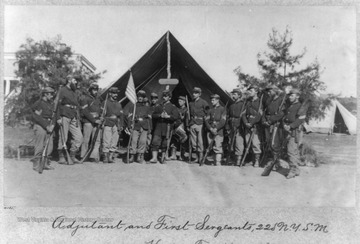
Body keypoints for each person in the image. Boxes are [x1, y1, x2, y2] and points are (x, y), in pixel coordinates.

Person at [56, 75, 83, 165]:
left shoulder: (74, 92)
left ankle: (72, 155)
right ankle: (61, 156)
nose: (76, 83)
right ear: (69, 81)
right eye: (75, 81)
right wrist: (58, 117)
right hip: (64, 115)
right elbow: (56, 104)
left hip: (73, 116)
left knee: (79, 137)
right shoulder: (62, 90)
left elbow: (76, 105)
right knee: (63, 137)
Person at [149, 89, 180, 164]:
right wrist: (160, 115)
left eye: (166, 96)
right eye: (163, 96)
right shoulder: (159, 106)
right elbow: (153, 115)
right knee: (155, 141)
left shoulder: (173, 107)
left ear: (169, 97)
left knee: (165, 143)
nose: (164, 97)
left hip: (167, 127)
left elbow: (175, 116)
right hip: (158, 127)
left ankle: (163, 158)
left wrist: (168, 116)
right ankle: (154, 158)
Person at [283, 88, 307, 179]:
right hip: (288, 129)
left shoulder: (300, 106)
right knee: (294, 151)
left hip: (295, 131)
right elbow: (286, 117)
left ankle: (293, 170)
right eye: (289, 95)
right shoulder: (290, 106)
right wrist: (285, 125)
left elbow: (301, 119)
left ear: (297, 96)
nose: (289, 97)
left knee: (291, 151)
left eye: (292, 95)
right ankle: (296, 169)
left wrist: (291, 126)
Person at [31, 86, 56, 171]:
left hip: (50, 125)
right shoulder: (38, 104)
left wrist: (52, 125)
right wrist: (46, 126)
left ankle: (45, 163)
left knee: (50, 146)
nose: (52, 96)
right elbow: (37, 117)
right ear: (45, 94)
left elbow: (54, 115)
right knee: (40, 146)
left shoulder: (52, 103)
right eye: (51, 94)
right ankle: (36, 164)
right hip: (41, 125)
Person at [261, 84, 286, 163]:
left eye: (270, 91)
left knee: (274, 143)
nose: (268, 93)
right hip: (267, 124)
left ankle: (276, 161)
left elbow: (281, 113)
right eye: (268, 92)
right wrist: (264, 120)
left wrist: (270, 120)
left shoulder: (281, 101)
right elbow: (264, 112)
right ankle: (270, 160)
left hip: (275, 125)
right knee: (268, 142)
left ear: (275, 91)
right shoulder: (268, 101)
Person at [126, 90, 152, 164]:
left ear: (144, 98)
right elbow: (129, 117)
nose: (140, 98)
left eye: (142, 97)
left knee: (142, 141)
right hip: (135, 125)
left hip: (144, 126)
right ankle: (132, 155)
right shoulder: (133, 107)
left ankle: (140, 156)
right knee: (133, 141)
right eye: (139, 96)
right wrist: (129, 126)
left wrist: (150, 128)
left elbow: (150, 119)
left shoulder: (147, 107)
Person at [79, 83, 103, 163]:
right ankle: (83, 155)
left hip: (97, 121)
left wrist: (100, 117)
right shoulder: (85, 99)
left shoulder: (98, 99)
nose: (95, 91)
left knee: (97, 140)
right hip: (88, 121)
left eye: (96, 90)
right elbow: (85, 111)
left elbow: (100, 110)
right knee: (86, 139)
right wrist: (94, 120)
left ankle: (93, 156)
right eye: (93, 90)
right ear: (90, 90)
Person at [242, 85, 263, 167]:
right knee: (248, 143)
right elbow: (243, 114)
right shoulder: (248, 102)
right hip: (247, 125)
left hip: (255, 125)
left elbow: (260, 115)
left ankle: (257, 161)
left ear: (256, 92)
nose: (249, 92)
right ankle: (252, 160)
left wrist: (252, 123)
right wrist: (246, 123)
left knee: (255, 143)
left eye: (251, 91)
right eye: (249, 91)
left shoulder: (260, 102)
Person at [102, 87, 124, 163]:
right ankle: (105, 157)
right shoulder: (105, 103)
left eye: (116, 93)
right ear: (110, 93)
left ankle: (110, 157)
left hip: (116, 124)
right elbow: (102, 115)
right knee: (106, 140)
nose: (116, 95)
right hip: (108, 123)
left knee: (114, 141)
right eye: (114, 93)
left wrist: (121, 125)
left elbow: (121, 115)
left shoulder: (118, 104)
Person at [204, 94, 227, 166]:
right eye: (211, 100)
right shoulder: (210, 110)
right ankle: (214, 161)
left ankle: (218, 162)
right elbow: (206, 121)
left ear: (217, 100)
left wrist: (216, 129)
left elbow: (223, 121)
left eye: (213, 100)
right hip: (210, 130)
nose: (211, 101)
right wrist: (210, 128)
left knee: (218, 145)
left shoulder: (222, 109)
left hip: (218, 131)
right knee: (211, 145)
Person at [189, 87, 209, 164]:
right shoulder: (191, 103)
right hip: (192, 123)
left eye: (196, 93)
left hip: (200, 123)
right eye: (193, 92)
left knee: (200, 141)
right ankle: (197, 157)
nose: (194, 94)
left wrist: (206, 123)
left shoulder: (204, 102)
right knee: (194, 142)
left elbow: (207, 113)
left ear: (199, 94)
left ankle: (201, 158)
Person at [227, 88, 247, 166]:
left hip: (239, 126)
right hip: (232, 125)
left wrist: (240, 124)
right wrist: (228, 126)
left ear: (239, 95)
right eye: (232, 94)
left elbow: (244, 116)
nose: (233, 95)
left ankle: (238, 161)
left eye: (235, 94)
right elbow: (228, 116)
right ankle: (232, 159)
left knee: (239, 143)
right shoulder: (231, 105)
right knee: (231, 143)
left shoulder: (243, 105)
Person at [170, 95, 188, 161]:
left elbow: (187, 119)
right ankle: (173, 155)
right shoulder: (177, 109)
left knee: (183, 140)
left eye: (180, 101)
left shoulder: (186, 109)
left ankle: (182, 155)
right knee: (174, 140)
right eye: (178, 101)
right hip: (176, 126)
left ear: (184, 102)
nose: (179, 102)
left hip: (182, 126)